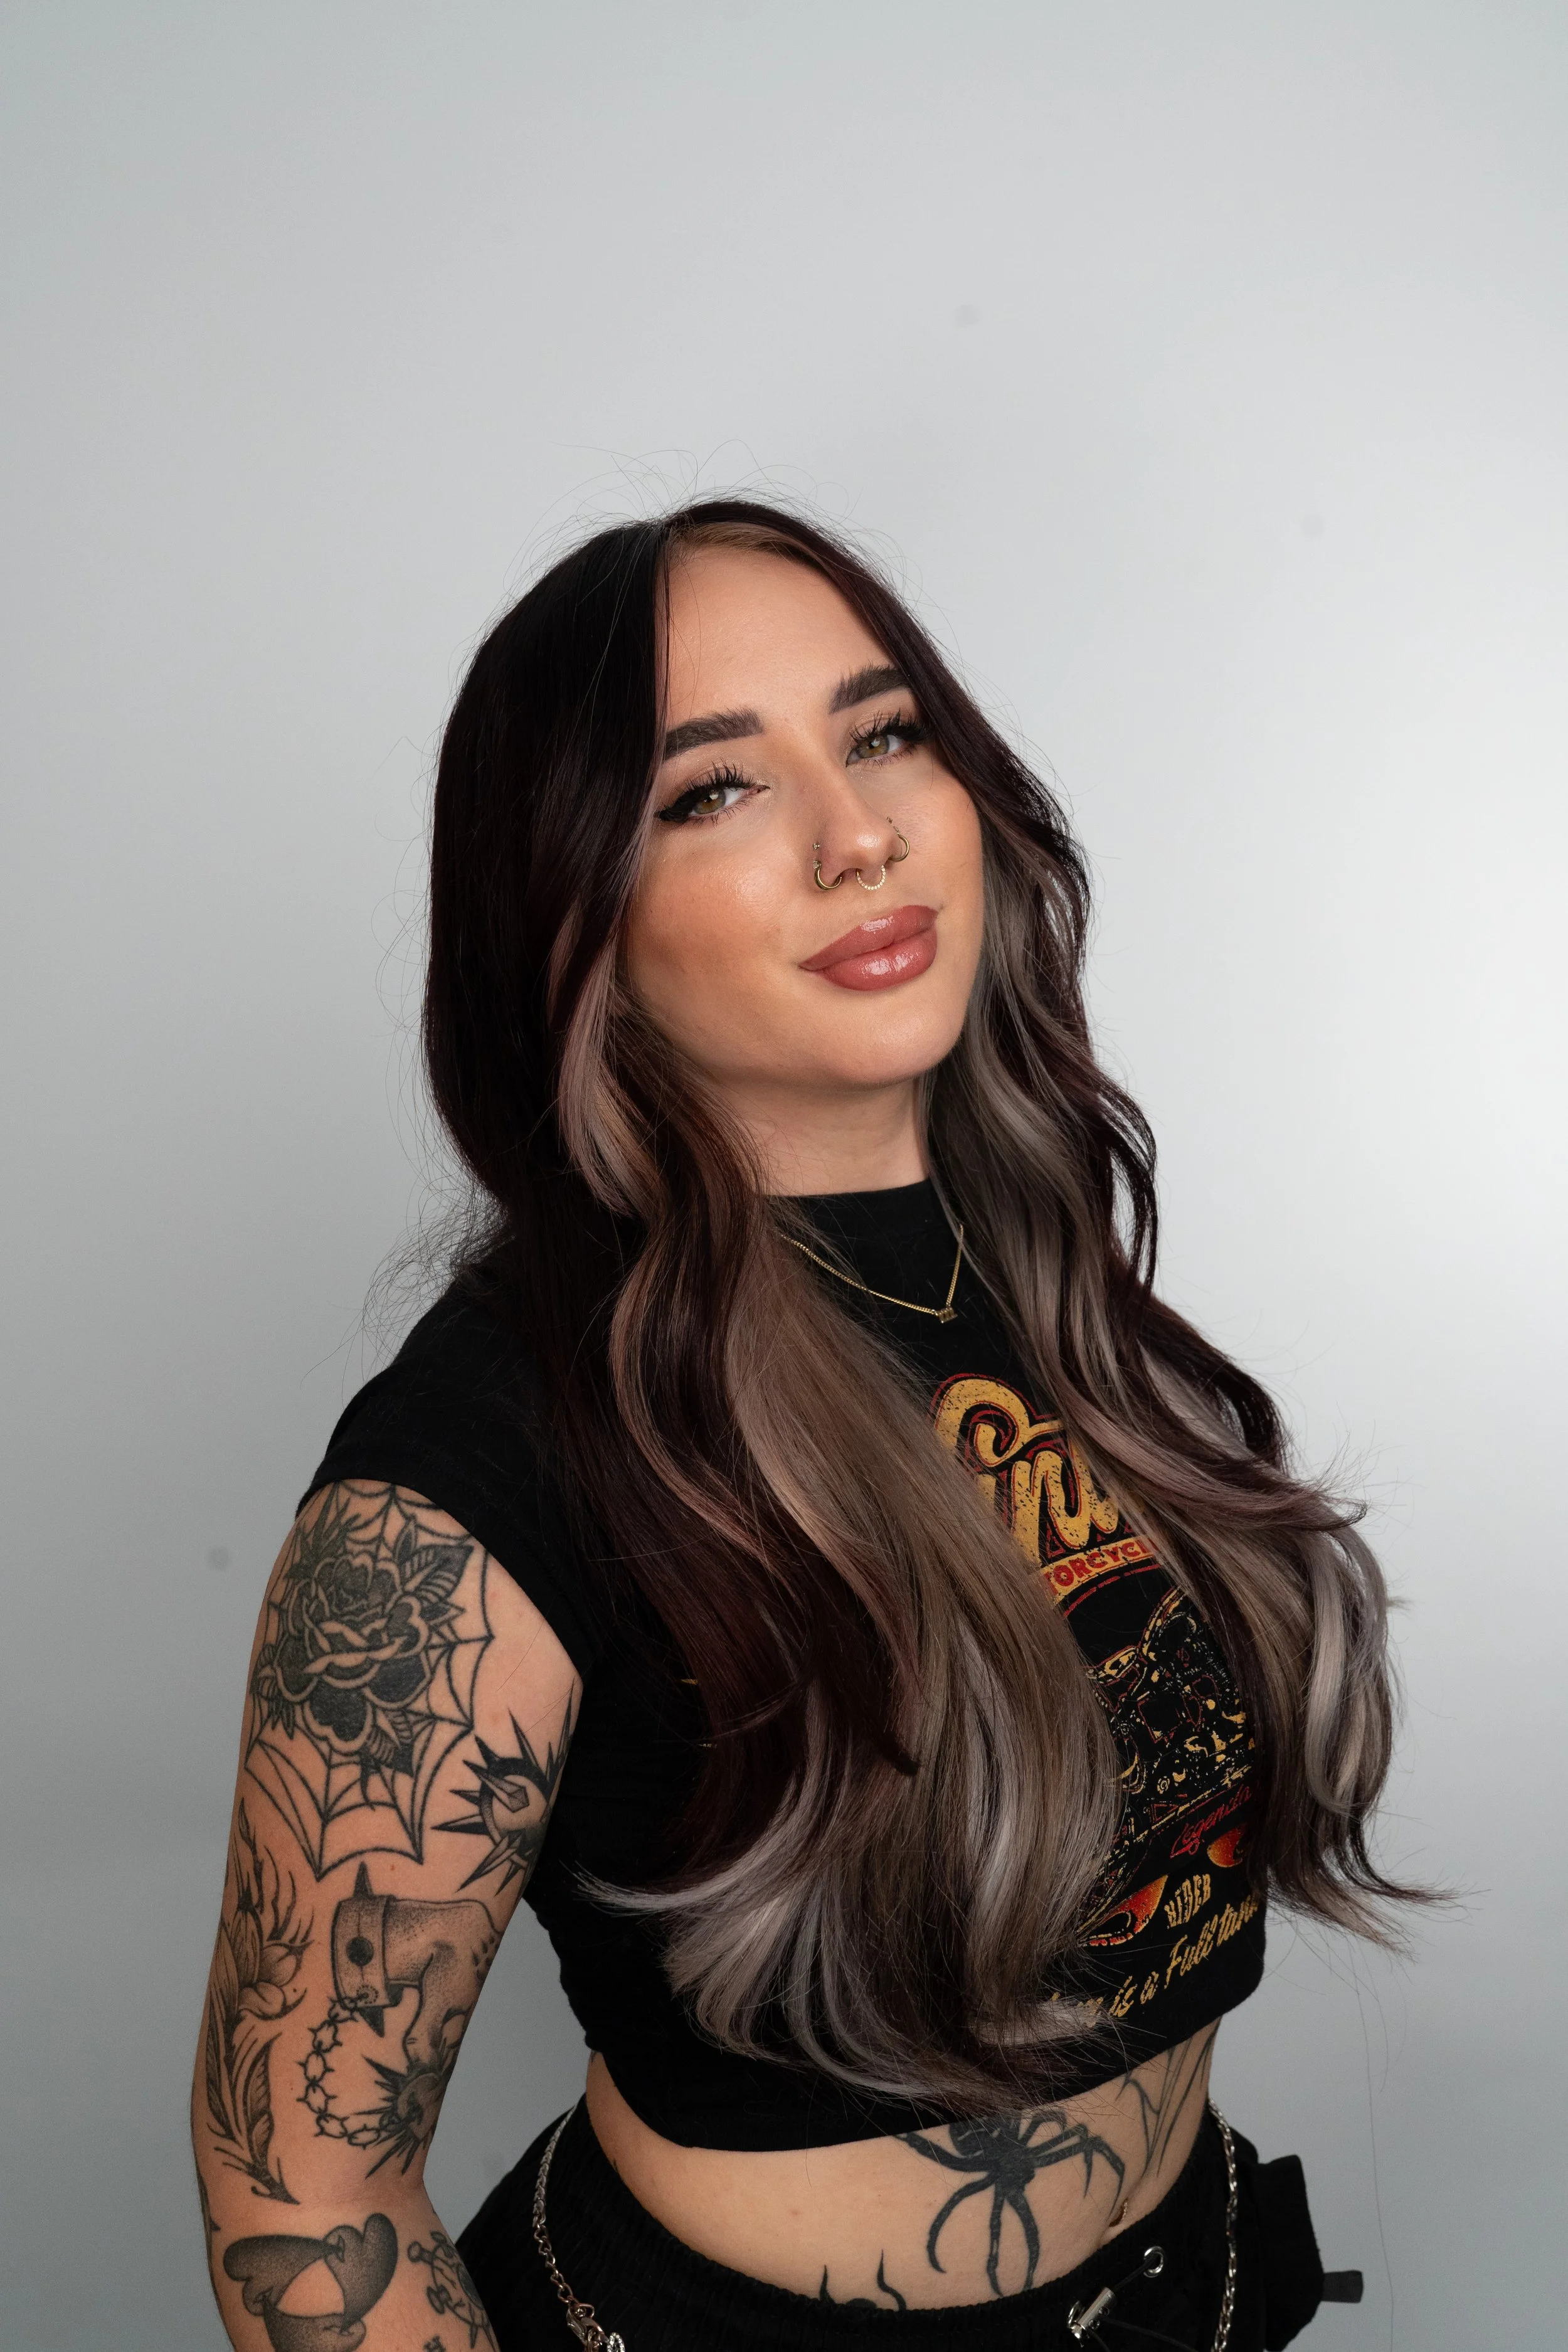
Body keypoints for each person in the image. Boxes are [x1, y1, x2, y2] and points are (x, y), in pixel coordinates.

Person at [193, 501, 1408, 2351]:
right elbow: (304, 2189)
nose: (859, 834)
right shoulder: (471, 1470)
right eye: (712, 792)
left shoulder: (1053, 1284)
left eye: (883, 730)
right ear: (567, 910)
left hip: (1191, 2285)